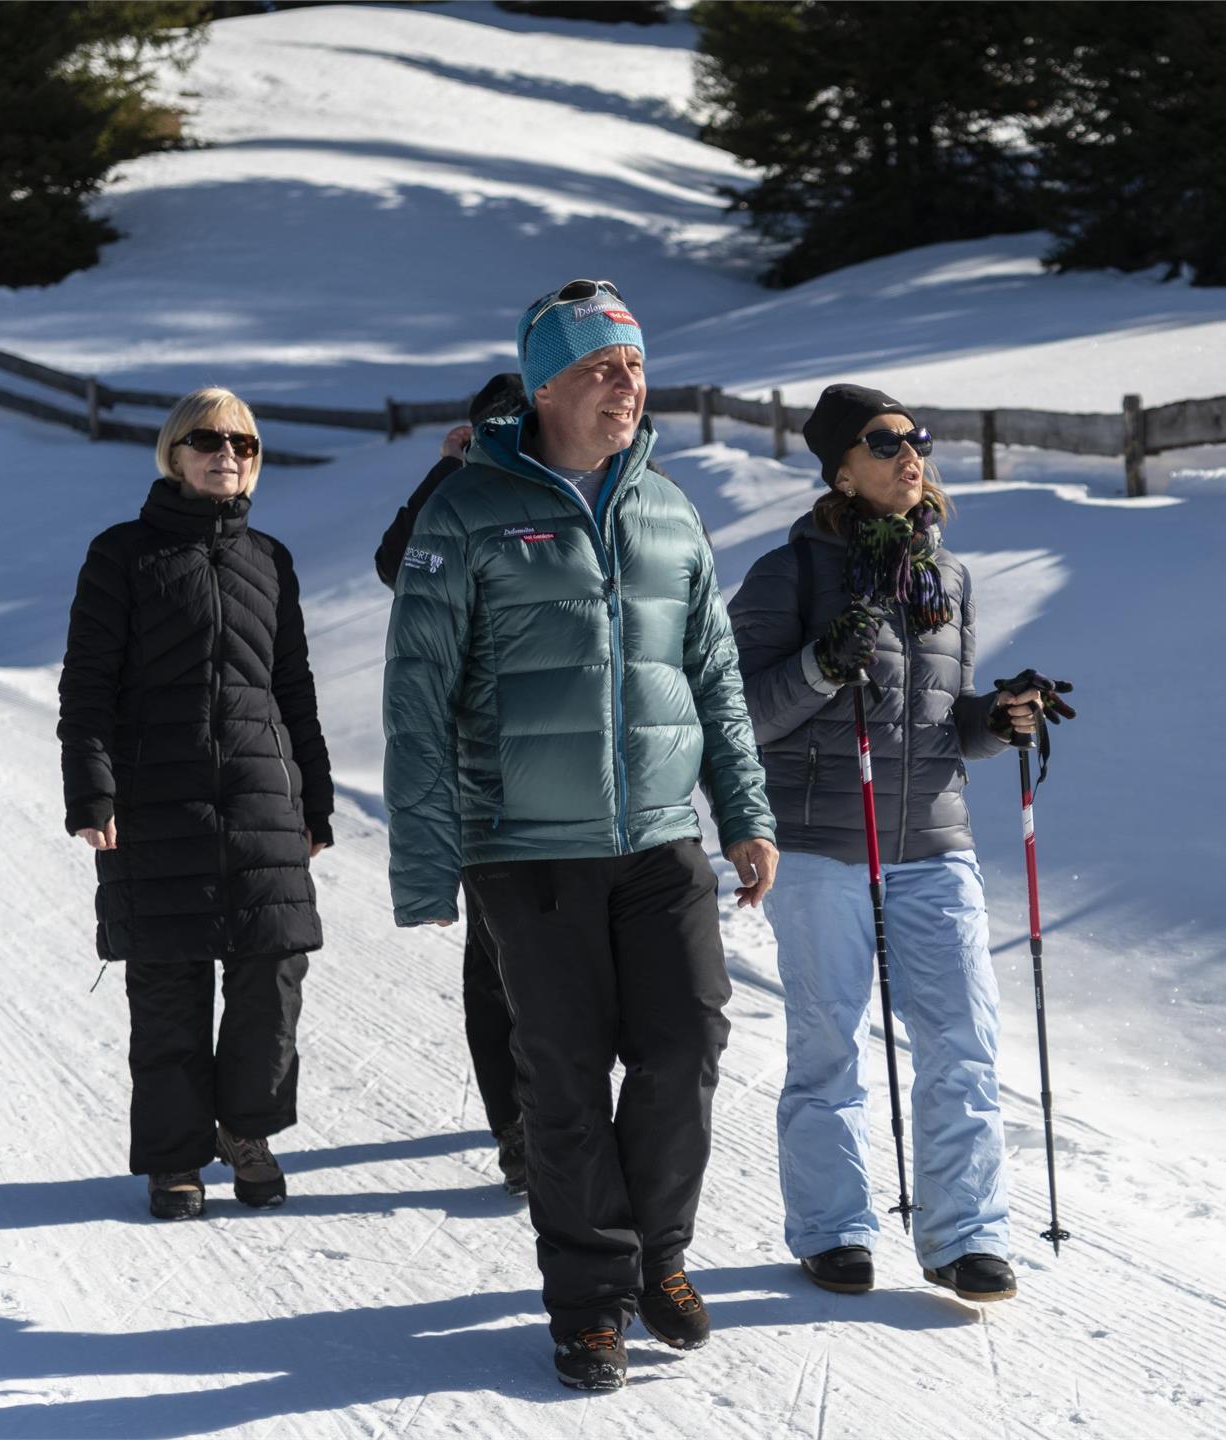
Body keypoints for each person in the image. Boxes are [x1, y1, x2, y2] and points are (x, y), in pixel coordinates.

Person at [383, 279, 778, 1391]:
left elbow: (712, 675)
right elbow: (414, 695)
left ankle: (660, 1256)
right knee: (561, 1079)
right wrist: (427, 862)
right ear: (546, 383)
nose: (627, 386)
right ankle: (591, 1302)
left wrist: (743, 812)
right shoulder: (463, 511)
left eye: (637, 366)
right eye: (603, 369)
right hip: (527, 849)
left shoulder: (668, 507)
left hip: (660, 841)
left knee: (686, 1049)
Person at [727, 383, 1076, 1304]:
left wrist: (1000, 720)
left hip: (933, 840)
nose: (910, 452)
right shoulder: (787, 576)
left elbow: (932, 729)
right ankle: (833, 1229)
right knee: (829, 1048)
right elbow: (737, 717)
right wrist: (819, 664)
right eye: (884, 442)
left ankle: (964, 1235)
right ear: (840, 468)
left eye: (918, 437)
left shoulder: (945, 578)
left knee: (963, 1042)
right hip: (819, 846)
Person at [58, 387, 333, 1221]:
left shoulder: (270, 559)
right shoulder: (122, 555)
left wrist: (314, 798)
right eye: (210, 440)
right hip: (158, 800)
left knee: (271, 976)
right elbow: (88, 686)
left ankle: (248, 1131)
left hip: (260, 798)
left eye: (245, 445)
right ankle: (176, 1157)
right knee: (170, 983)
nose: (229, 455)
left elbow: (294, 688)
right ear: (175, 452)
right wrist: (92, 790)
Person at [374, 371, 530, 1196]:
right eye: (491, 424)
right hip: (485, 770)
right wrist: (448, 469)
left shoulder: (565, 494)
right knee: (495, 957)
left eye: (519, 420)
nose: (508, 434)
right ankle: (517, 1129)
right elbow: (394, 563)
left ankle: (567, 1114)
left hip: (576, 775)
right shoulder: (458, 504)